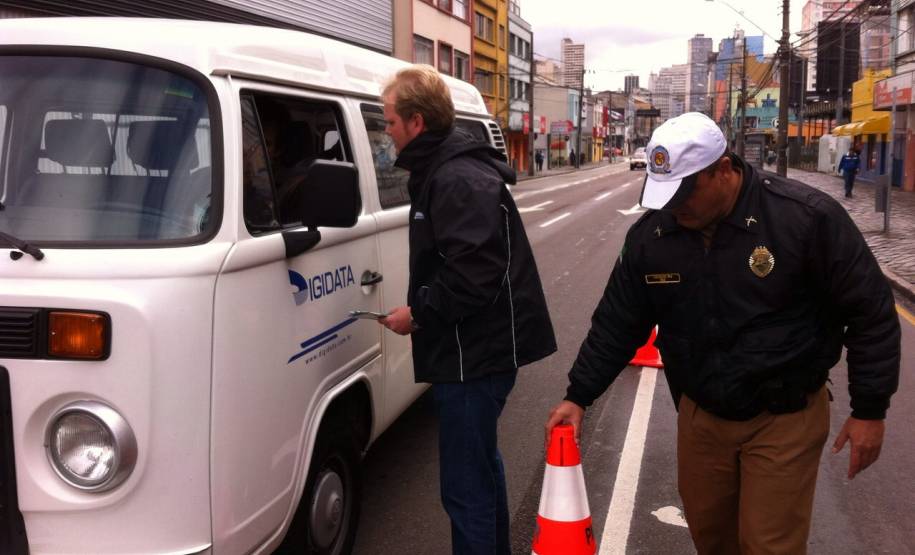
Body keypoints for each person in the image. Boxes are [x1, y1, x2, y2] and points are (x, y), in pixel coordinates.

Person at [544, 112, 900, 555]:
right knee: (712, 539)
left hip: (783, 415)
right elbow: (618, 321)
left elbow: (871, 312)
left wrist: (870, 409)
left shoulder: (805, 219)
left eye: (685, 193)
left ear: (724, 170)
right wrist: (579, 394)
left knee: (768, 545)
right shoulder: (652, 237)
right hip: (701, 415)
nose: (676, 207)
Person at [378, 65, 557, 555]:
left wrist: (418, 313)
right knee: (480, 469)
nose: (386, 130)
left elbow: (474, 273)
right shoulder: (447, 169)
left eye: (390, 120)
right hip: (476, 351)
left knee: (465, 487)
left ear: (416, 122)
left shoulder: (455, 177)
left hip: (473, 355)